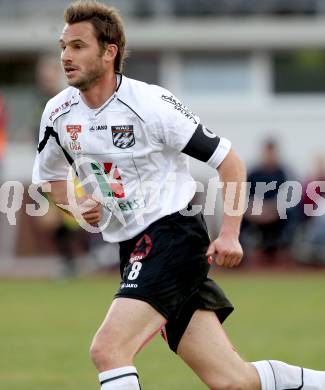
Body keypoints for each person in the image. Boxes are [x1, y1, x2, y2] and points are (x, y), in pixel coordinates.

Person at [32, 1, 325, 389]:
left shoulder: (151, 105)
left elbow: (230, 161)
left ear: (109, 52)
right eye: (63, 45)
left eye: (78, 46)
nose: (65, 56)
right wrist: (76, 202)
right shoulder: (58, 113)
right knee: (234, 381)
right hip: (132, 245)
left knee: (109, 349)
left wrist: (231, 233)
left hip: (173, 235)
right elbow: (48, 177)